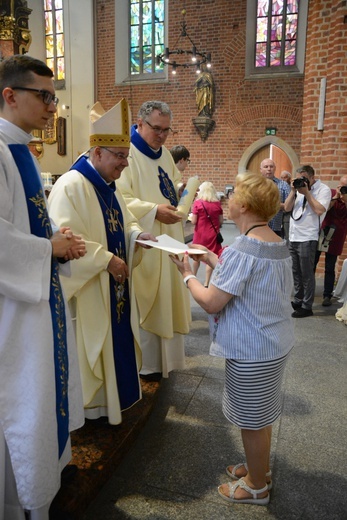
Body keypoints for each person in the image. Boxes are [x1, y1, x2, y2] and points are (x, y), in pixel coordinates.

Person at [170, 172, 295, 506]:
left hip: (251, 349)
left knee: (252, 421)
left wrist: (186, 275)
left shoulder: (242, 249)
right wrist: (211, 258)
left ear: (243, 205)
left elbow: (211, 300)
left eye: (233, 195)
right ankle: (260, 469)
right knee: (262, 415)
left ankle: (256, 486)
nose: (228, 200)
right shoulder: (275, 243)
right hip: (273, 344)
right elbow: (248, 279)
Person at [0, 54, 86, 520]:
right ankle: (20, 499)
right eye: (45, 96)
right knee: (20, 397)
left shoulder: (22, 151)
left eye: (54, 97)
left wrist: (58, 241)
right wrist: (46, 249)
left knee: (41, 390)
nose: (53, 107)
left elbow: (31, 222)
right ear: (10, 96)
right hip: (12, 311)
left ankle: (44, 480)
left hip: (37, 298)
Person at [49, 99, 156, 425]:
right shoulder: (71, 186)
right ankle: (93, 408)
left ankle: (113, 401)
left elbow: (124, 223)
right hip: (91, 291)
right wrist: (106, 258)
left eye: (126, 157)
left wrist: (138, 236)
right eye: (119, 157)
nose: (124, 164)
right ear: (97, 153)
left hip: (115, 290)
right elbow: (65, 242)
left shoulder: (109, 187)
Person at [117, 100, 191, 382]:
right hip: (147, 239)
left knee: (169, 296)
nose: (161, 136)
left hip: (170, 235)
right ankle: (146, 364)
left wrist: (181, 198)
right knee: (149, 300)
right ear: (140, 124)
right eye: (156, 129)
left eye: (166, 130)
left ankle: (167, 363)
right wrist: (153, 210)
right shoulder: (128, 155)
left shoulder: (165, 156)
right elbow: (120, 198)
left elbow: (170, 187)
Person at [284, 165, 331, 318]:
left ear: (311, 177)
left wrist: (307, 193)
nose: (301, 182)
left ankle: (307, 305)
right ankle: (298, 301)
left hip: (308, 237)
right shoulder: (297, 190)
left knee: (307, 273)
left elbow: (319, 210)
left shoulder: (323, 189)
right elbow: (286, 207)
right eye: (298, 179)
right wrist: (293, 191)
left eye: (303, 179)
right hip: (293, 236)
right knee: (296, 272)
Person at [314, 175, 347, 306]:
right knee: (313, 262)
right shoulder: (331, 193)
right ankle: (308, 292)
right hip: (324, 231)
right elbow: (324, 209)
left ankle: (327, 295)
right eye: (342, 186)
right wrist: (336, 197)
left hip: (337, 235)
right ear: (338, 185)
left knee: (330, 266)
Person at [190, 181, 224, 286]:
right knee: (211, 256)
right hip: (213, 235)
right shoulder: (217, 204)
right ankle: (206, 282)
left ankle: (193, 277)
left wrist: (190, 217)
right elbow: (221, 221)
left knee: (196, 256)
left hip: (200, 234)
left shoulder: (198, 203)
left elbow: (194, 221)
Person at [260, 158, 291, 237]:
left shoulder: (283, 185)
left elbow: (290, 206)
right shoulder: (254, 185)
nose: (269, 169)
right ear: (261, 169)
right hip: (257, 227)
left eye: (271, 166)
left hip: (276, 227)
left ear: (275, 169)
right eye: (266, 167)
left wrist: (274, 205)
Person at [280, 170, 292, 241]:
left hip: (288, 215)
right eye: (281, 178)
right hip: (280, 213)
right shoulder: (279, 185)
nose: (283, 180)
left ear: (289, 178)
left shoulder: (292, 187)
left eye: (285, 178)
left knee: (287, 236)